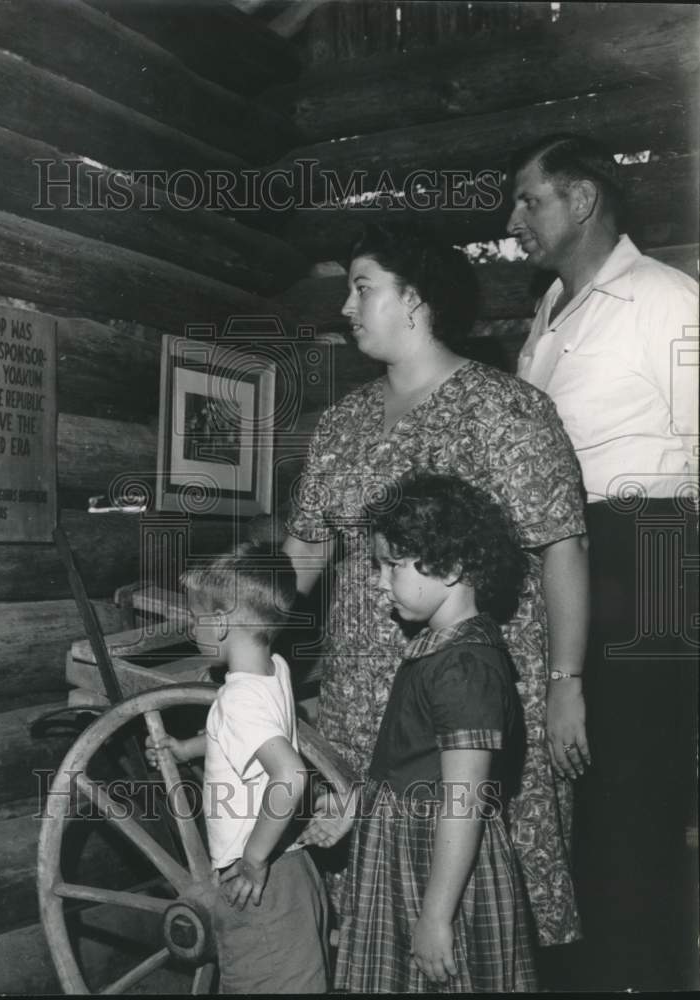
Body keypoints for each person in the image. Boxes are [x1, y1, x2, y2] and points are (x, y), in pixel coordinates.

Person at [282, 220, 589, 950]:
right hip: (360, 698)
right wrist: (239, 623)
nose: (347, 307)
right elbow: (304, 550)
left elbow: (563, 547)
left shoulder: (506, 411)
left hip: (469, 695)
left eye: (362, 288)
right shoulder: (342, 424)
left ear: (414, 297)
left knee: (473, 906)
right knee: (375, 904)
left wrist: (565, 683)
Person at [508, 133, 699, 990]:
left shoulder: (665, 299)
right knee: (567, 782)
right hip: (564, 556)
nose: (513, 220)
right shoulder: (548, 312)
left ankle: (644, 975)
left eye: (529, 200)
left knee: (635, 784)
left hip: (650, 550)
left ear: (580, 200)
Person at [300, 472, 537, 992]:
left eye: (393, 565)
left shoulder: (464, 668)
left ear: (451, 567)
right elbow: (407, 761)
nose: (379, 581)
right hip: (406, 850)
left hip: (437, 868)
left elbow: (464, 801)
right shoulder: (438, 650)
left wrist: (435, 917)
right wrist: (357, 807)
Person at [146, 542, 328, 993]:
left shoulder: (236, 699)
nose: (194, 629)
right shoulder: (274, 669)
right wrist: (188, 749)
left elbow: (291, 775)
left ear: (222, 622)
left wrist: (252, 859)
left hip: (257, 883)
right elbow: (245, 737)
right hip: (294, 867)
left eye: (196, 619)